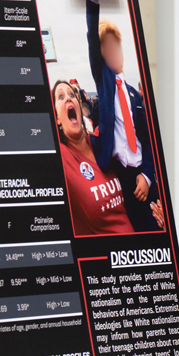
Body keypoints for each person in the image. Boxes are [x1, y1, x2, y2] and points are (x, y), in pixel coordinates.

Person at [85, 0, 160, 232]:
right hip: (123, 179)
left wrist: (147, 176)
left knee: (158, 226)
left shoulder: (134, 96)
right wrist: (92, 1)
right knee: (137, 231)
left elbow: (148, 142)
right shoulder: (105, 84)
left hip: (145, 176)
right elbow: (91, 37)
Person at [53, 78, 135, 237]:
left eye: (72, 94)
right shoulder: (62, 157)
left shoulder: (98, 142)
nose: (69, 97)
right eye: (61, 97)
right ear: (56, 118)